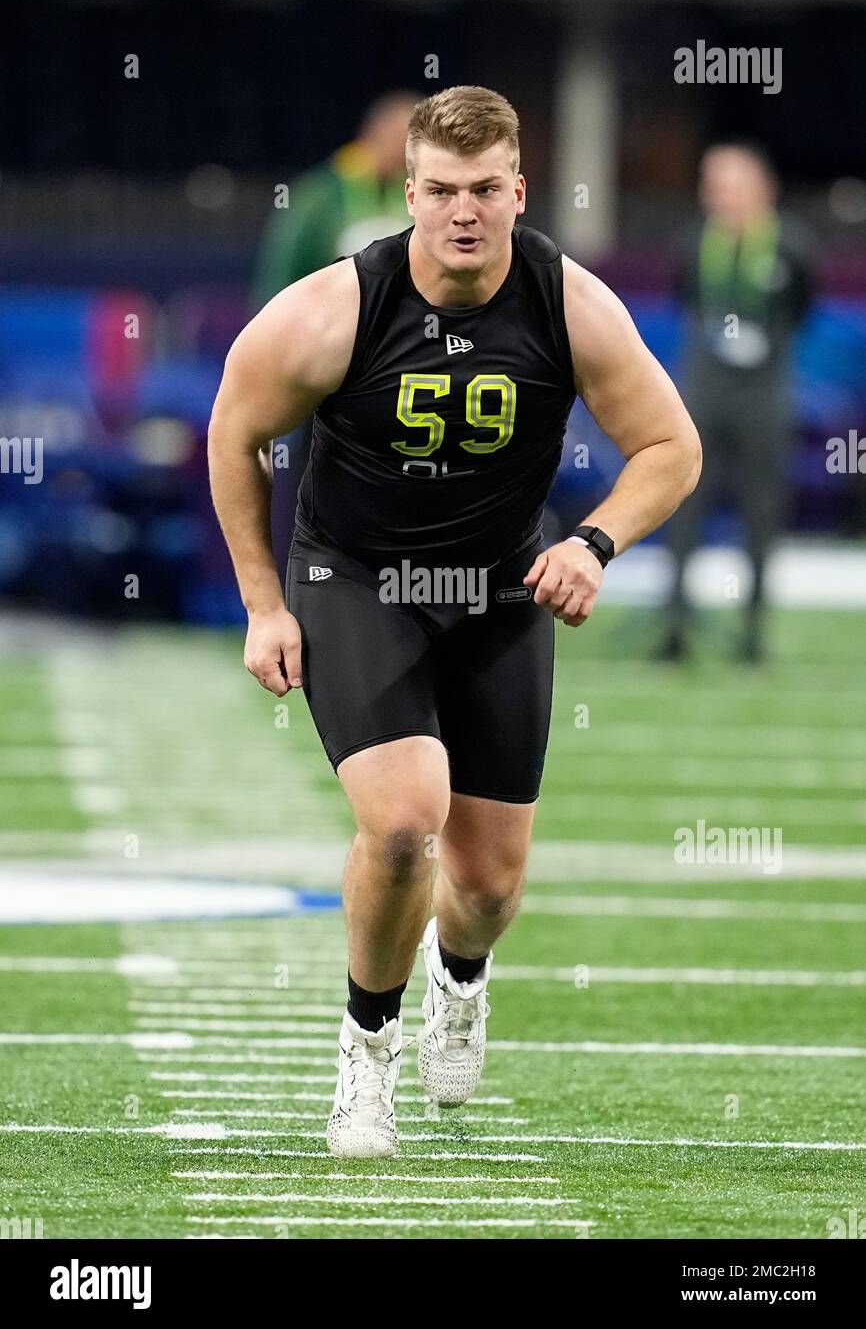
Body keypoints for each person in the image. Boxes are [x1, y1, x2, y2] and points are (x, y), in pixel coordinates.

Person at [208, 85, 701, 1158]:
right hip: (357, 580)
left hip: (498, 589)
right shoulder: (337, 306)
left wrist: (592, 542)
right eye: (440, 191)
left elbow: (669, 447)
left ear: (519, 191)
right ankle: (364, 1053)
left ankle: (460, 979)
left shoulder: (569, 302)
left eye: (484, 190)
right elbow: (234, 429)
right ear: (409, 192)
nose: (462, 212)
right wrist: (259, 601)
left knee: (484, 890)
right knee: (400, 821)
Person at [659, 142, 815, 662]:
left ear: (762, 188)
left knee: (762, 508)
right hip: (704, 388)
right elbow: (686, 300)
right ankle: (676, 627)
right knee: (683, 501)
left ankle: (752, 632)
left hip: (764, 391)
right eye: (715, 185)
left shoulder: (791, 244)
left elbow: (801, 307)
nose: (722, 196)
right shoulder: (693, 240)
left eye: (734, 184)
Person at [252, 92, 417, 581]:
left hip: (404, 376)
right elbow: (279, 285)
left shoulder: (430, 196)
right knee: (312, 490)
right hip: (329, 379)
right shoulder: (320, 198)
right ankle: (297, 594)